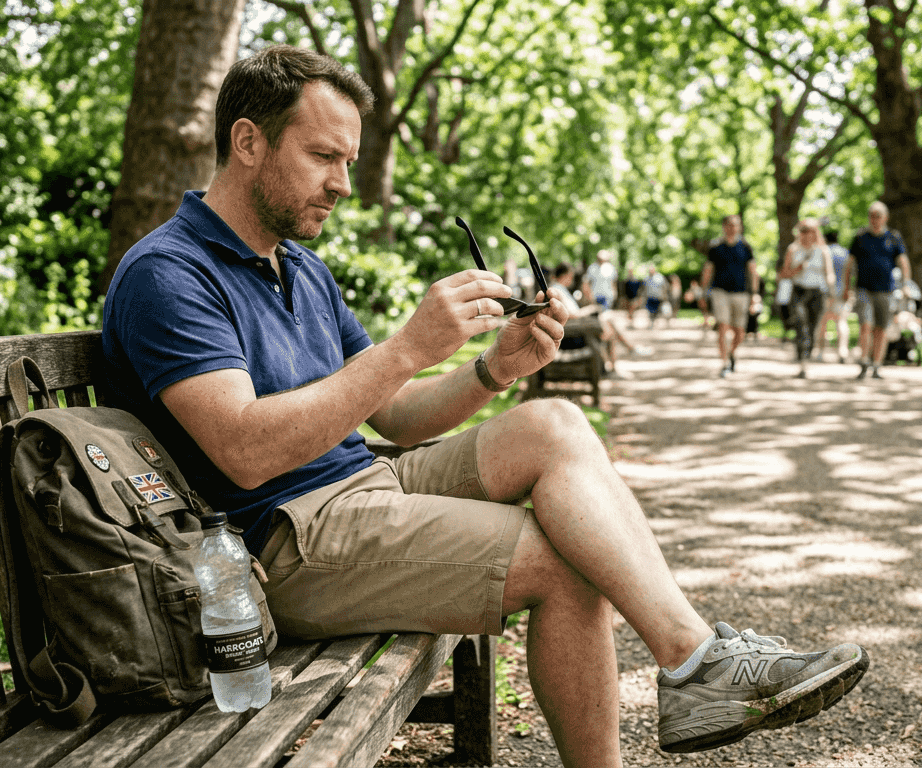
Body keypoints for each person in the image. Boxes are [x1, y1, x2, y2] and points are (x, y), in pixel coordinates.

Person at [100, 46, 869, 765]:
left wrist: (494, 369)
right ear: (247, 142)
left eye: (349, 161)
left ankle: (697, 659)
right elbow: (244, 450)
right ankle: (698, 668)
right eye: (324, 157)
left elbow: (394, 416)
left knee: (554, 423)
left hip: (363, 488)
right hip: (282, 543)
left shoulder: (297, 266)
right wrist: (404, 346)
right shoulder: (169, 274)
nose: (342, 182)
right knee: (567, 565)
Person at [843, 201, 911, 379]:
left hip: (886, 290)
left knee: (881, 328)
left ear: (885, 218)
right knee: (865, 324)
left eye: (878, 216)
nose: (875, 220)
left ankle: (877, 365)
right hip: (864, 288)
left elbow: (903, 263)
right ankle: (864, 361)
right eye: (872, 216)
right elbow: (849, 265)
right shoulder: (860, 237)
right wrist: (846, 287)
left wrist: (905, 285)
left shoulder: (893, 238)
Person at [551, 262, 649, 375]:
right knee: (608, 325)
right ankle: (625, 354)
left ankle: (619, 359)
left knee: (609, 321)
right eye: (571, 276)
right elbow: (571, 314)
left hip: (577, 328)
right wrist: (591, 309)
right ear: (564, 275)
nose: (572, 279)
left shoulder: (560, 289)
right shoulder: (557, 290)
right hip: (574, 333)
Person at [699, 214, 759, 377]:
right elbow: (708, 270)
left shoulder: (745, 247)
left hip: (741, 293)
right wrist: (703, 293)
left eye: (735, 225)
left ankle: (731, 353)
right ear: (724, 227)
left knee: (740, 331)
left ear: (739, 227)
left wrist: (755, 294)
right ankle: (724, 363)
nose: (732, 228)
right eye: (729, 225)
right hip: (720, 292)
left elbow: (753, 272)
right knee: (723, 326)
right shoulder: (715, 247)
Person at [781, 219, 835, 378]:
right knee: (800, 323)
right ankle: (802, 358)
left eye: (810, 231)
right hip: (798, 291)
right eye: (803, 230)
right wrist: (797, 269)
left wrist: (831, 285)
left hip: (817, 293)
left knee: (812, 327)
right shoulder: (793, 249)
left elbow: (829, 272)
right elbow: (784, 273)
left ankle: (806, 358)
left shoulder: (823, 250)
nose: (807, 234)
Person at [821, 229, 851, 362]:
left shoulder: (823, 252)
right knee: (841, 322)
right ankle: (842, 351)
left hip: (825, 292)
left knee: (822, 323)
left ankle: (820, 351)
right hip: (842, 291)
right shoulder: (845, 253)